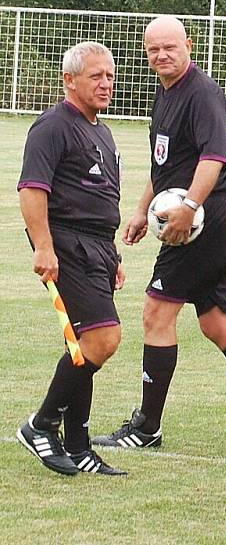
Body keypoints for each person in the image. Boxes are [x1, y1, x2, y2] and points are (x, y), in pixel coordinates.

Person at [91, 16, 226, 455]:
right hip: (198, 218)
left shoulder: (203, 93)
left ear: (188, 44)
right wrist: (140, 210)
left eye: (169, 47)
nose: (162, 55)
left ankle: (147, 426)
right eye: (153, 49)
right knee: (216, 322)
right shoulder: (164, 91)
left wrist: (188, 209)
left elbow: (214, 160)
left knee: (157, 312)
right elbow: (165, 166)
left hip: (204, 221)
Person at [16, 41, 126, 476]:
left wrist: (113, 254)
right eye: (95, 76)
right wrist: (44, 247)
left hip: (98, 247)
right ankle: (42, 424)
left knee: (83, 345)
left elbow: (102, 199)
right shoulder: (52, 127)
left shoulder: (102, 130)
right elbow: (32, 190)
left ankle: (78, 445)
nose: (105, 83)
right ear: (70, 80)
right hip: (67, 244)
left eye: (110, 76)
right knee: (103, 339)